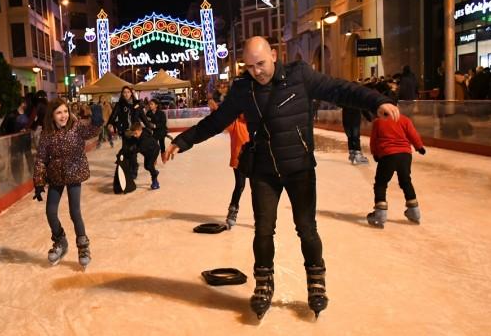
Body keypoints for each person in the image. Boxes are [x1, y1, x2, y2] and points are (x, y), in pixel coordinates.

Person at [162, 36, 399, 319]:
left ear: (274, 55)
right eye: (249, 66)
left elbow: (339, 89)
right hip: (263, 171)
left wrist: (377, 101)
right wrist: (184, 140)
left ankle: (316, 282)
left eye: (260, 64)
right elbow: (216, 121)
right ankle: (264, 282)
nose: (256, 71)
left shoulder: (300, 76)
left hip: (299, 167)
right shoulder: (243, 89)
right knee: (263, 230)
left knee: (306, 227)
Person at [32, 99, 102, 269]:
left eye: (65, 111)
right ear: (52, 116)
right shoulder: (47, 133)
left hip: (75, 172)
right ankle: (60, 241)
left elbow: (92, 131)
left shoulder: (76, 126)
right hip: (55, 174)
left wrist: (97, 121)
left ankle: (83, 247)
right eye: (59, 113)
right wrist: (39, 182)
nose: (63, 116)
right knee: (50, 211)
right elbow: (41, 158)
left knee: (74, 212)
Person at [367, 113, 425, 228]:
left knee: (381, 183)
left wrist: (375, 153)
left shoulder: (378, 121)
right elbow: (413, 134)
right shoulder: (404, 119)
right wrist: (419, 146)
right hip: (405, 155)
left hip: (388, 155)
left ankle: (380, 214)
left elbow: (374, 140)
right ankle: (414, 211)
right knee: (405, 181)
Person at [208, 98, 250, 229]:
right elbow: (221, 122)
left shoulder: (254, 122)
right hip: (239, 160)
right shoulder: (235, 123)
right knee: (240, 185)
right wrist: (215, 110)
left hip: (256, 160)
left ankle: (262, 216)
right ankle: (233, 211)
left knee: (258, 188)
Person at [107, 86, 151, 179]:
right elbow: (113, 115)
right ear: (122, 94)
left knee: (133, 151)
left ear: (131, 93)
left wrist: (149, 126)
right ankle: (128, 168)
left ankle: (133, 170)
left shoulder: (137, 104)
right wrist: (110, 123)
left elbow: (142, 116)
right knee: (126, 150)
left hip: (135, 132)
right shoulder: (119, 105)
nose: (126, 94)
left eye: (128, 92)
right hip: (125, 131)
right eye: (124, 92)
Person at [124, 122, 160, 189]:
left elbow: (139, 149)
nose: (134, 135)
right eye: (133, 133)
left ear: (140, 130)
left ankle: (155, 181)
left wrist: (130, 152)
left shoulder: (145, 139)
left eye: (135, 133)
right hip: (147, 152)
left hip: (154, 151)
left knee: (149, 165)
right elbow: (131, 140)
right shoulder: (137, 135)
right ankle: (155, 172)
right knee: (146, 167)